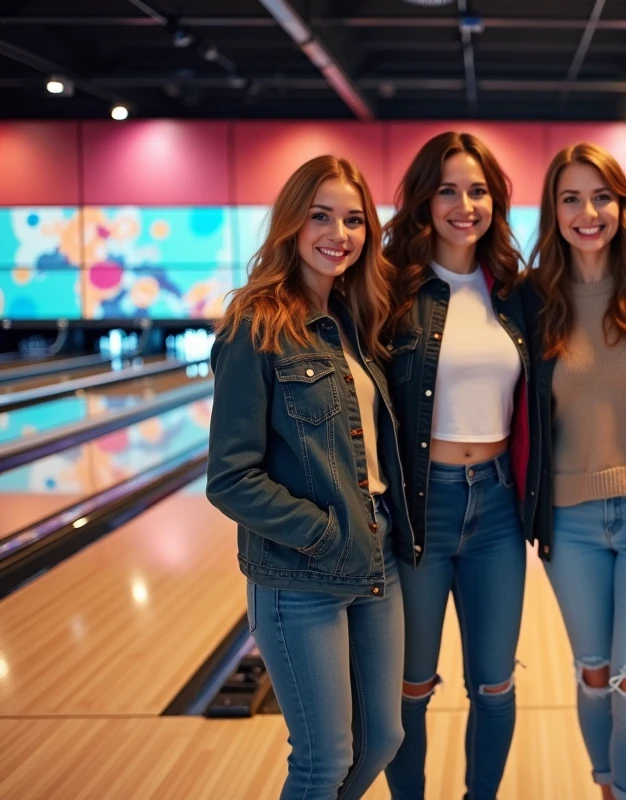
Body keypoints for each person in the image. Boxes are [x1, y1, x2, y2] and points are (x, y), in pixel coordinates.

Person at [206, 155, 408, 800]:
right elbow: (229, 477)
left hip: (377, 559)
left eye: (354, 220)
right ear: (292, 223)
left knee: (383, 740)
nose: (338, 234)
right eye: (321, 216)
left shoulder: (355, 319)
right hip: (300, 573)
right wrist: (323, 535)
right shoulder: (256, 325)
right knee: (323, 762)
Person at [525, 142, 626, 800]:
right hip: (569, 524)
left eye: (602, 197)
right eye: (571, 199)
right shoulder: (532, 299)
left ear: (623, 205)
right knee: (594, 673)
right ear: (554, 211)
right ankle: (605, 786)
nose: (588, 213)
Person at [381, 131, 538, 800]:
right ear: (424, 200)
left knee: (495, 685)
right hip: (421, 506)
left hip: (498, 506)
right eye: (447, 190)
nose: (464, 205)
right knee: (410, 685)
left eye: (477, 191)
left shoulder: (515, 293)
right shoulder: (389, 288)